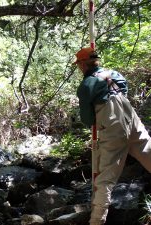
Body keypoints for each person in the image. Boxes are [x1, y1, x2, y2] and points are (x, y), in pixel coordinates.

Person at [74, 47, 151, 225]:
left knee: (104, 180)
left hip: (113, 129)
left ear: (83, 65)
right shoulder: (115, 74)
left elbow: (87, 119)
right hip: (133, 122)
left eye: (79, 64)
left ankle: (96, 221)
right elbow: (123, 90)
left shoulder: (86, 85)